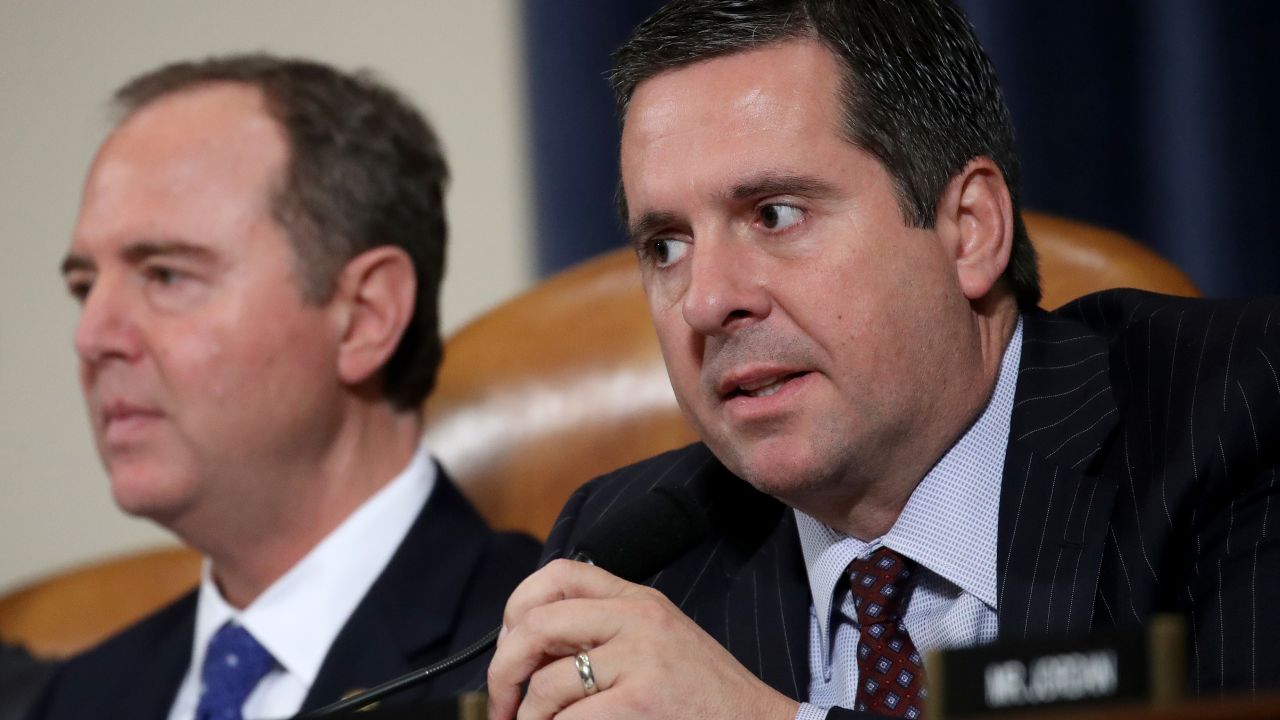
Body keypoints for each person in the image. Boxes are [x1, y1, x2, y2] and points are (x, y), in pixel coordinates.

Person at [485, 1, 1280, 719]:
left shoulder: (1240, 414)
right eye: (666, 245)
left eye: (776, 214)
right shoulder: (635, 558)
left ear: (969, 231)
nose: (706, 300)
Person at [31, 54, 540, 719]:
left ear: (364, 317)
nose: (91, 336)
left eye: (165, 275)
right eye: (83, 288)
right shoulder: (78, 698)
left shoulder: (543, 653)